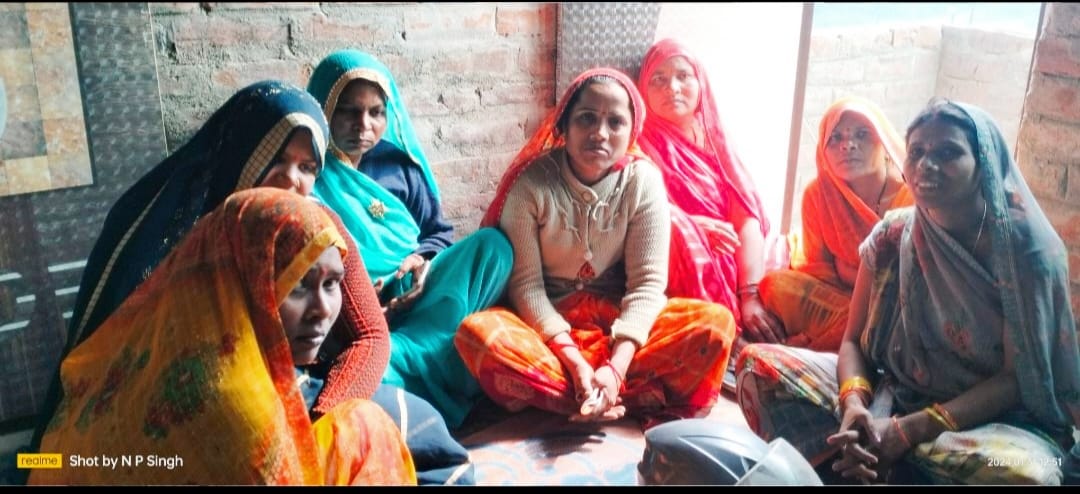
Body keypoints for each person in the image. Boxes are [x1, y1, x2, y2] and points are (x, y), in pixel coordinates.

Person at [36, 80, 472, 486]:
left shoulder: (318, 228)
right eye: (276, 160)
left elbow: (371, 335)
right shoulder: (186, 238)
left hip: (304, 388)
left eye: (307, 167)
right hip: (204, 394)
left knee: (421, 432)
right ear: (239, 157)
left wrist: (320, 413)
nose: (291, 180)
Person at [735, 100, 1079, 485]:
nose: (926, 165)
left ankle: (881, 456)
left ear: (984, 162)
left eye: (947, 152)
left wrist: (911, 429)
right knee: (757, 366)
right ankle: (873, 447)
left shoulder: (1025, 252)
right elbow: (852, 342)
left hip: (986, 419)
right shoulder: (893, 234)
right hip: (897, 392)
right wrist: (854, 404)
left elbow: (1014, 380)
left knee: (1027, 475)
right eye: (917, 152)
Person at [30, 188, 416, 485]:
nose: (323, 309)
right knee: (368, 430)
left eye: (332, 284)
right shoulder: (240, 406)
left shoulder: (167, 338)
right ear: (244, 283)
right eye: (298, 285)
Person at [455, 67, 736, 429]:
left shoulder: (643, 182)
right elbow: (526, 286)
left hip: (616, 321)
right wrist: (573, 360)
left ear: (632, 131)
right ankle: (605, 393)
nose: (600, 133)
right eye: (586, 118)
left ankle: (581, 395)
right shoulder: (531, 185)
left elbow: (647, 285)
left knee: (714, 325)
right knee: (479, 335)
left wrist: (616, 366)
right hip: (549, 326)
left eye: (615, 122)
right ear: (563, 125)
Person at [306, 49, 512, 429]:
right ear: (324, 109)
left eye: (376, 112)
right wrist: (364, 297)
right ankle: (417, 357)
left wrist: (422, 260)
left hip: (418, 289)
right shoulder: (309, 172)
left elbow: (437, 233)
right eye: (349, 111)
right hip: (364, 304)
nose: (364, 125)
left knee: (494, 248)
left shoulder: (398, 164)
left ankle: (409, 354)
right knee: (366, 350)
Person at [635, 38, 780, 351]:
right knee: (681, 232)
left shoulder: (714, 136)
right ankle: (729, 341)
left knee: (780, 273)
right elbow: (639, 211)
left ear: (700, 83)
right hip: (683, 256)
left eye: (683, 76)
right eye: (658, 79)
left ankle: (746, 317)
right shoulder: (639, 142)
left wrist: (750, 294)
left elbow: (746, 213)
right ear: (643, 89)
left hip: (732, 252)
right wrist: (692, 225)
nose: (672, 88)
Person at [754, 96, 914, 352]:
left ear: (884, 144)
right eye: (835, 138)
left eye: (862, 134)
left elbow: (901, 282)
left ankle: (823, 345)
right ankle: (855, 338)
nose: (848, 145)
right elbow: (820, 271)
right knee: (775, 285)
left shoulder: (910, 199)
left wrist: (849, 272)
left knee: (887, 318)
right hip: (841, 300)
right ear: (823, 152)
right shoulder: (818, 195)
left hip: (890, 306)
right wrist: (848, 278)